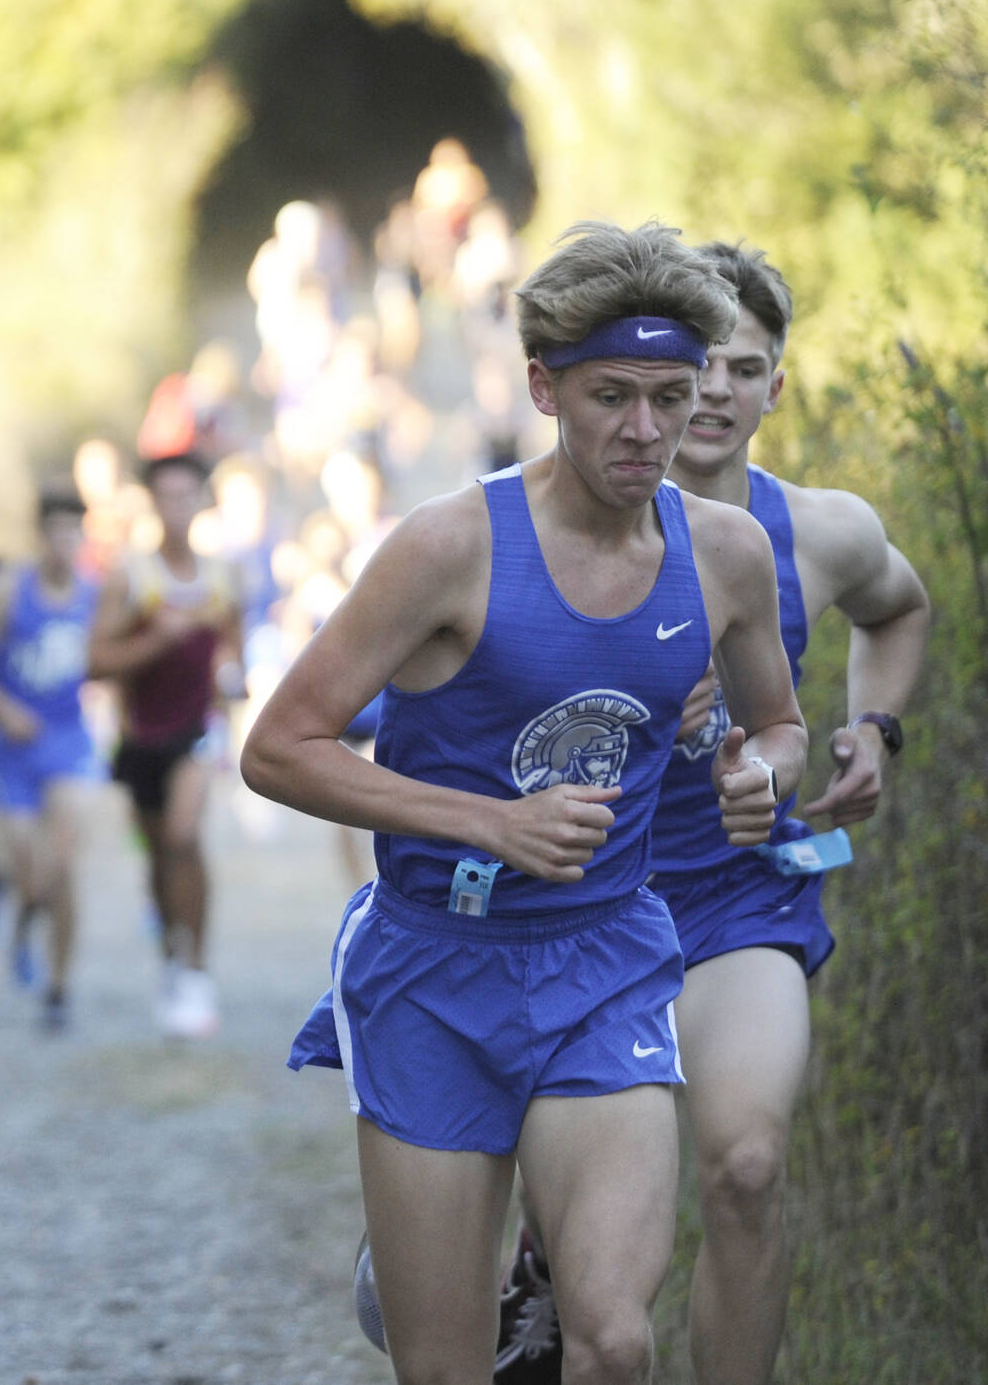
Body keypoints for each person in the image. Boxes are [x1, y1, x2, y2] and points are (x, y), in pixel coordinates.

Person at [241, 221, 808, 1385]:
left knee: (610, 1340)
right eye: (611, 397)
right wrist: (486, 822)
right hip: (430, 969)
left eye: (668, 395)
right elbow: (278, 748)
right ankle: (437, 1254)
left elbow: (777, 724)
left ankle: (532, 1276)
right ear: (544, 388)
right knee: (445, 1370)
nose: (645, 431)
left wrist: (759, 775)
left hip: (603, 960)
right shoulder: (448, 546)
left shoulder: (724, 555)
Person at [492, 242, 930, 1384]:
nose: (715, 392)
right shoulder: (538, 530)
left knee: (741, 1164)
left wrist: (867, 732)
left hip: (738, 896)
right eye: (699, 365)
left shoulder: (815, 534)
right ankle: (527, 1256)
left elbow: (900, 609)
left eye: (744, 368)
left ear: (771, 386)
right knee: (585, 1243)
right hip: (581, 900)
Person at [89, 453, 243, 1038]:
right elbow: (96, 661)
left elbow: (235, 651)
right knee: (158, 855)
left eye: (187, 496)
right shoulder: (130, 576)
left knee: (183, 837)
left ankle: (197, 969)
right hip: (139, 738)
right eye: (166, 497)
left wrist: (230, 679)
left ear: (203, 501)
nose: (177, 508)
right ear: (151, 503)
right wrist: (158, 640)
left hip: (197, 733)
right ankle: (173, 961)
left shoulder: (225, 578)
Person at [0, 487, 104, 1030]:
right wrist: (3, 709)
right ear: (40, 537)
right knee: (27, 873)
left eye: (73, 532)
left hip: (68, 742)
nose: (64, 543)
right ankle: (19, 917)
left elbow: (112, 655)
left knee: (62, 867)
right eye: (55, 532)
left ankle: (59, 991)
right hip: (11, 751)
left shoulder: (95, 594)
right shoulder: (9, 591)